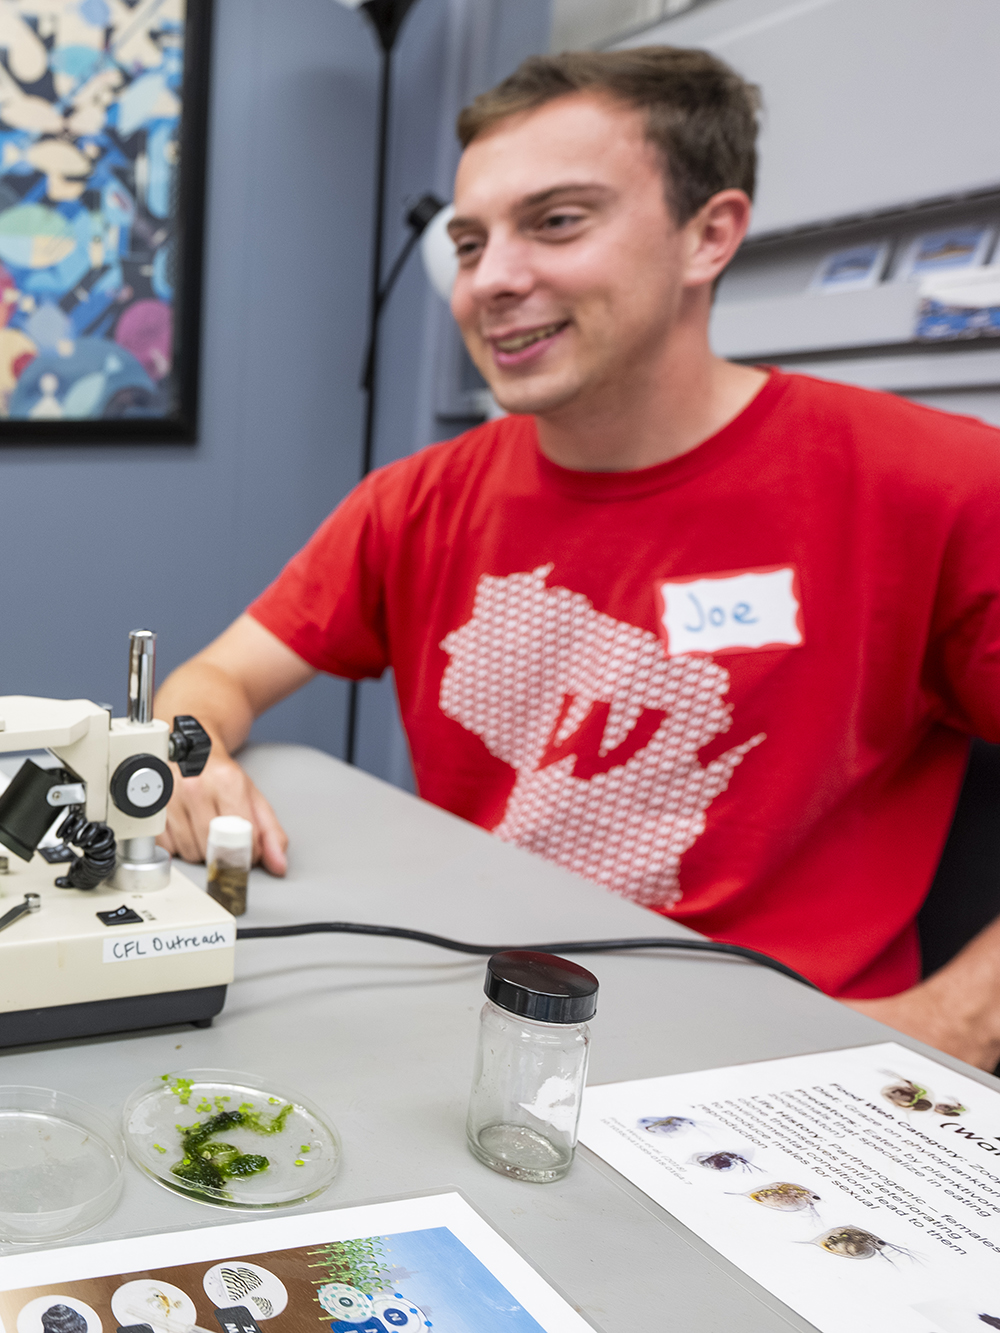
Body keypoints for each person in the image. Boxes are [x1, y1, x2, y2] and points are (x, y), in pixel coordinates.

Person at [155, 47, 1000, 1067]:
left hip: (780, 1062)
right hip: (491, 1018)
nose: (491, 282)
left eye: (555, 222)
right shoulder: (415, 501)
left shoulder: (935, 486)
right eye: (468, 243)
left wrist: (950, 1023)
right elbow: (214, 678)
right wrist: (189, 754)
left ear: (707, 235)